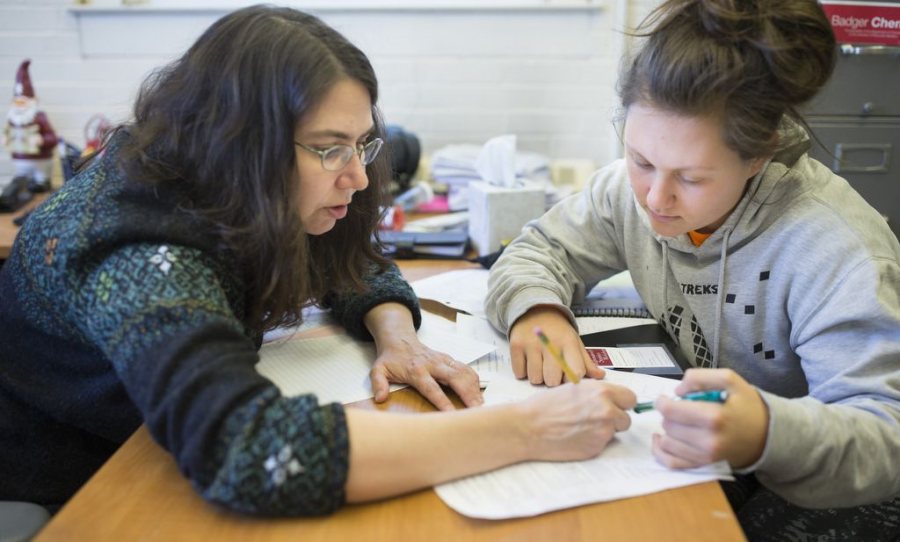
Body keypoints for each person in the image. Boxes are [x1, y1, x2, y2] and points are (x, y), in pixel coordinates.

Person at [0, 5, 637, 515]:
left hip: (147, 442)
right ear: (242, 146)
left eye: (361, 143)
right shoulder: (139, 248)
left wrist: (397, 337)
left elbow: (348, 255)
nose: (357, 177)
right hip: (82, 475)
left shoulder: (239, 185)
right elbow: (251, 452)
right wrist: (529, 430)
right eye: (331, 150)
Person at [485, 0, 900, 538]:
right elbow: (537, 250)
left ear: (758, 155)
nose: (656, 197)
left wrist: (764, 433)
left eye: (693, 178)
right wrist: (536, 310)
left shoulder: (836, 249)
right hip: (693, 442)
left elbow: (884, 436)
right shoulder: (625, 193)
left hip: (811, 478)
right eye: (641, 161)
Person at [3, 59, 58, 193]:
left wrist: (42, 140)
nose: (20, 105)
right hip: (20, 160)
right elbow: (8, 133)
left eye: (23, 102)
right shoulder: (12, 120)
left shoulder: (39, 117)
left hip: (40, 160)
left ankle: (41, 185)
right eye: (17, 102)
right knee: (20, 186)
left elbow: (52, 138)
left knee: (41, 184)